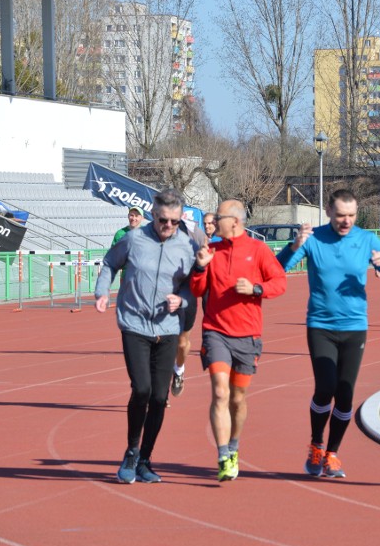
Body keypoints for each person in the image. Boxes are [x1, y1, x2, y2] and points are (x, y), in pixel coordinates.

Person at [277, 189, 380, 478]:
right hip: (320, 325)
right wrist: (295, 245)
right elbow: (279, 268)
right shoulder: (314, 239)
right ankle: (316, 444)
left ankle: (333, 454)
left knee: (345, 395)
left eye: (351, 215)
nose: (346, 221)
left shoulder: (366, 240)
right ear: (328, 212)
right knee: (325, 387)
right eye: (340, 215)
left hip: (355, 327)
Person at [94, 189, 196, 484]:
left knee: (160, 396)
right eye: (164, 220)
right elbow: (110, 263)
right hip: (134, 324)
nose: (168, 226)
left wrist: (183, 301)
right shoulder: (134, 239)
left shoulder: (186, 246)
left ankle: (145, 459)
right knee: (141, 389)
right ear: (153, 215)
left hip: (167, 328)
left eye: (175, 222)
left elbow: (191, 285)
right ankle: (131, 452)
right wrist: (102, 292)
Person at [190, 200, 287, 481]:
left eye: (217, 217)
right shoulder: (211, 250)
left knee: (238, 397)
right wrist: (199, 267)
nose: (212, 222)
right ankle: (222, 455)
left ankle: (233, 446)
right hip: (215, 331)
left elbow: (279, 282)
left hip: (248, 335)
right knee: (220, 392)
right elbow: (197, 290)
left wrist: (256, 288)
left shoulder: (258, 250)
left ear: (233, 221)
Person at [170, 217, 208, 398]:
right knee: (157, 340)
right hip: (163, 295)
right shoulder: (156, 233)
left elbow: (205, 246)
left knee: (182, 342)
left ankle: (178, 371)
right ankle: (158, 389)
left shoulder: (193, 232)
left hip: (187, 295)